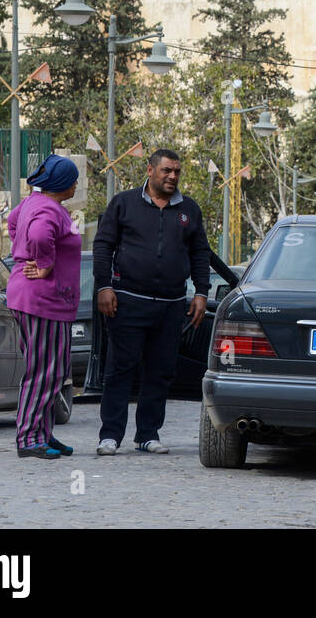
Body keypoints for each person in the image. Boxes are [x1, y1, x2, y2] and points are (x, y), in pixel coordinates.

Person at [92, 149, 210, 456]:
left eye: (177, 172)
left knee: (161, 371)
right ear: (150, 170)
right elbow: (103, 246)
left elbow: (200, 253)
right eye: (166, 170)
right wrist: (104, 287)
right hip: (128, 300)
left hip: (171, 304)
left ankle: (148, 434)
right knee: (120, 369)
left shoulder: (189, 209)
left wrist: (200, 292)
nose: (172, 176)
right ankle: (110, 436)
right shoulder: (124, 203)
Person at [6, 154, 82, 459]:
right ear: (63, 183)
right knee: (44, 370)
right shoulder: (48, 210)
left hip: (43, 299)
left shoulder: (37, 205)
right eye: (74, 180)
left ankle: (43, 433)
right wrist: (44, 264)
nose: (76, 184)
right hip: (41, 299)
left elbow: (13, 223)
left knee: (55, 369)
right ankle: (28, 437)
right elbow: (37, 234)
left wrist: (23, 254)